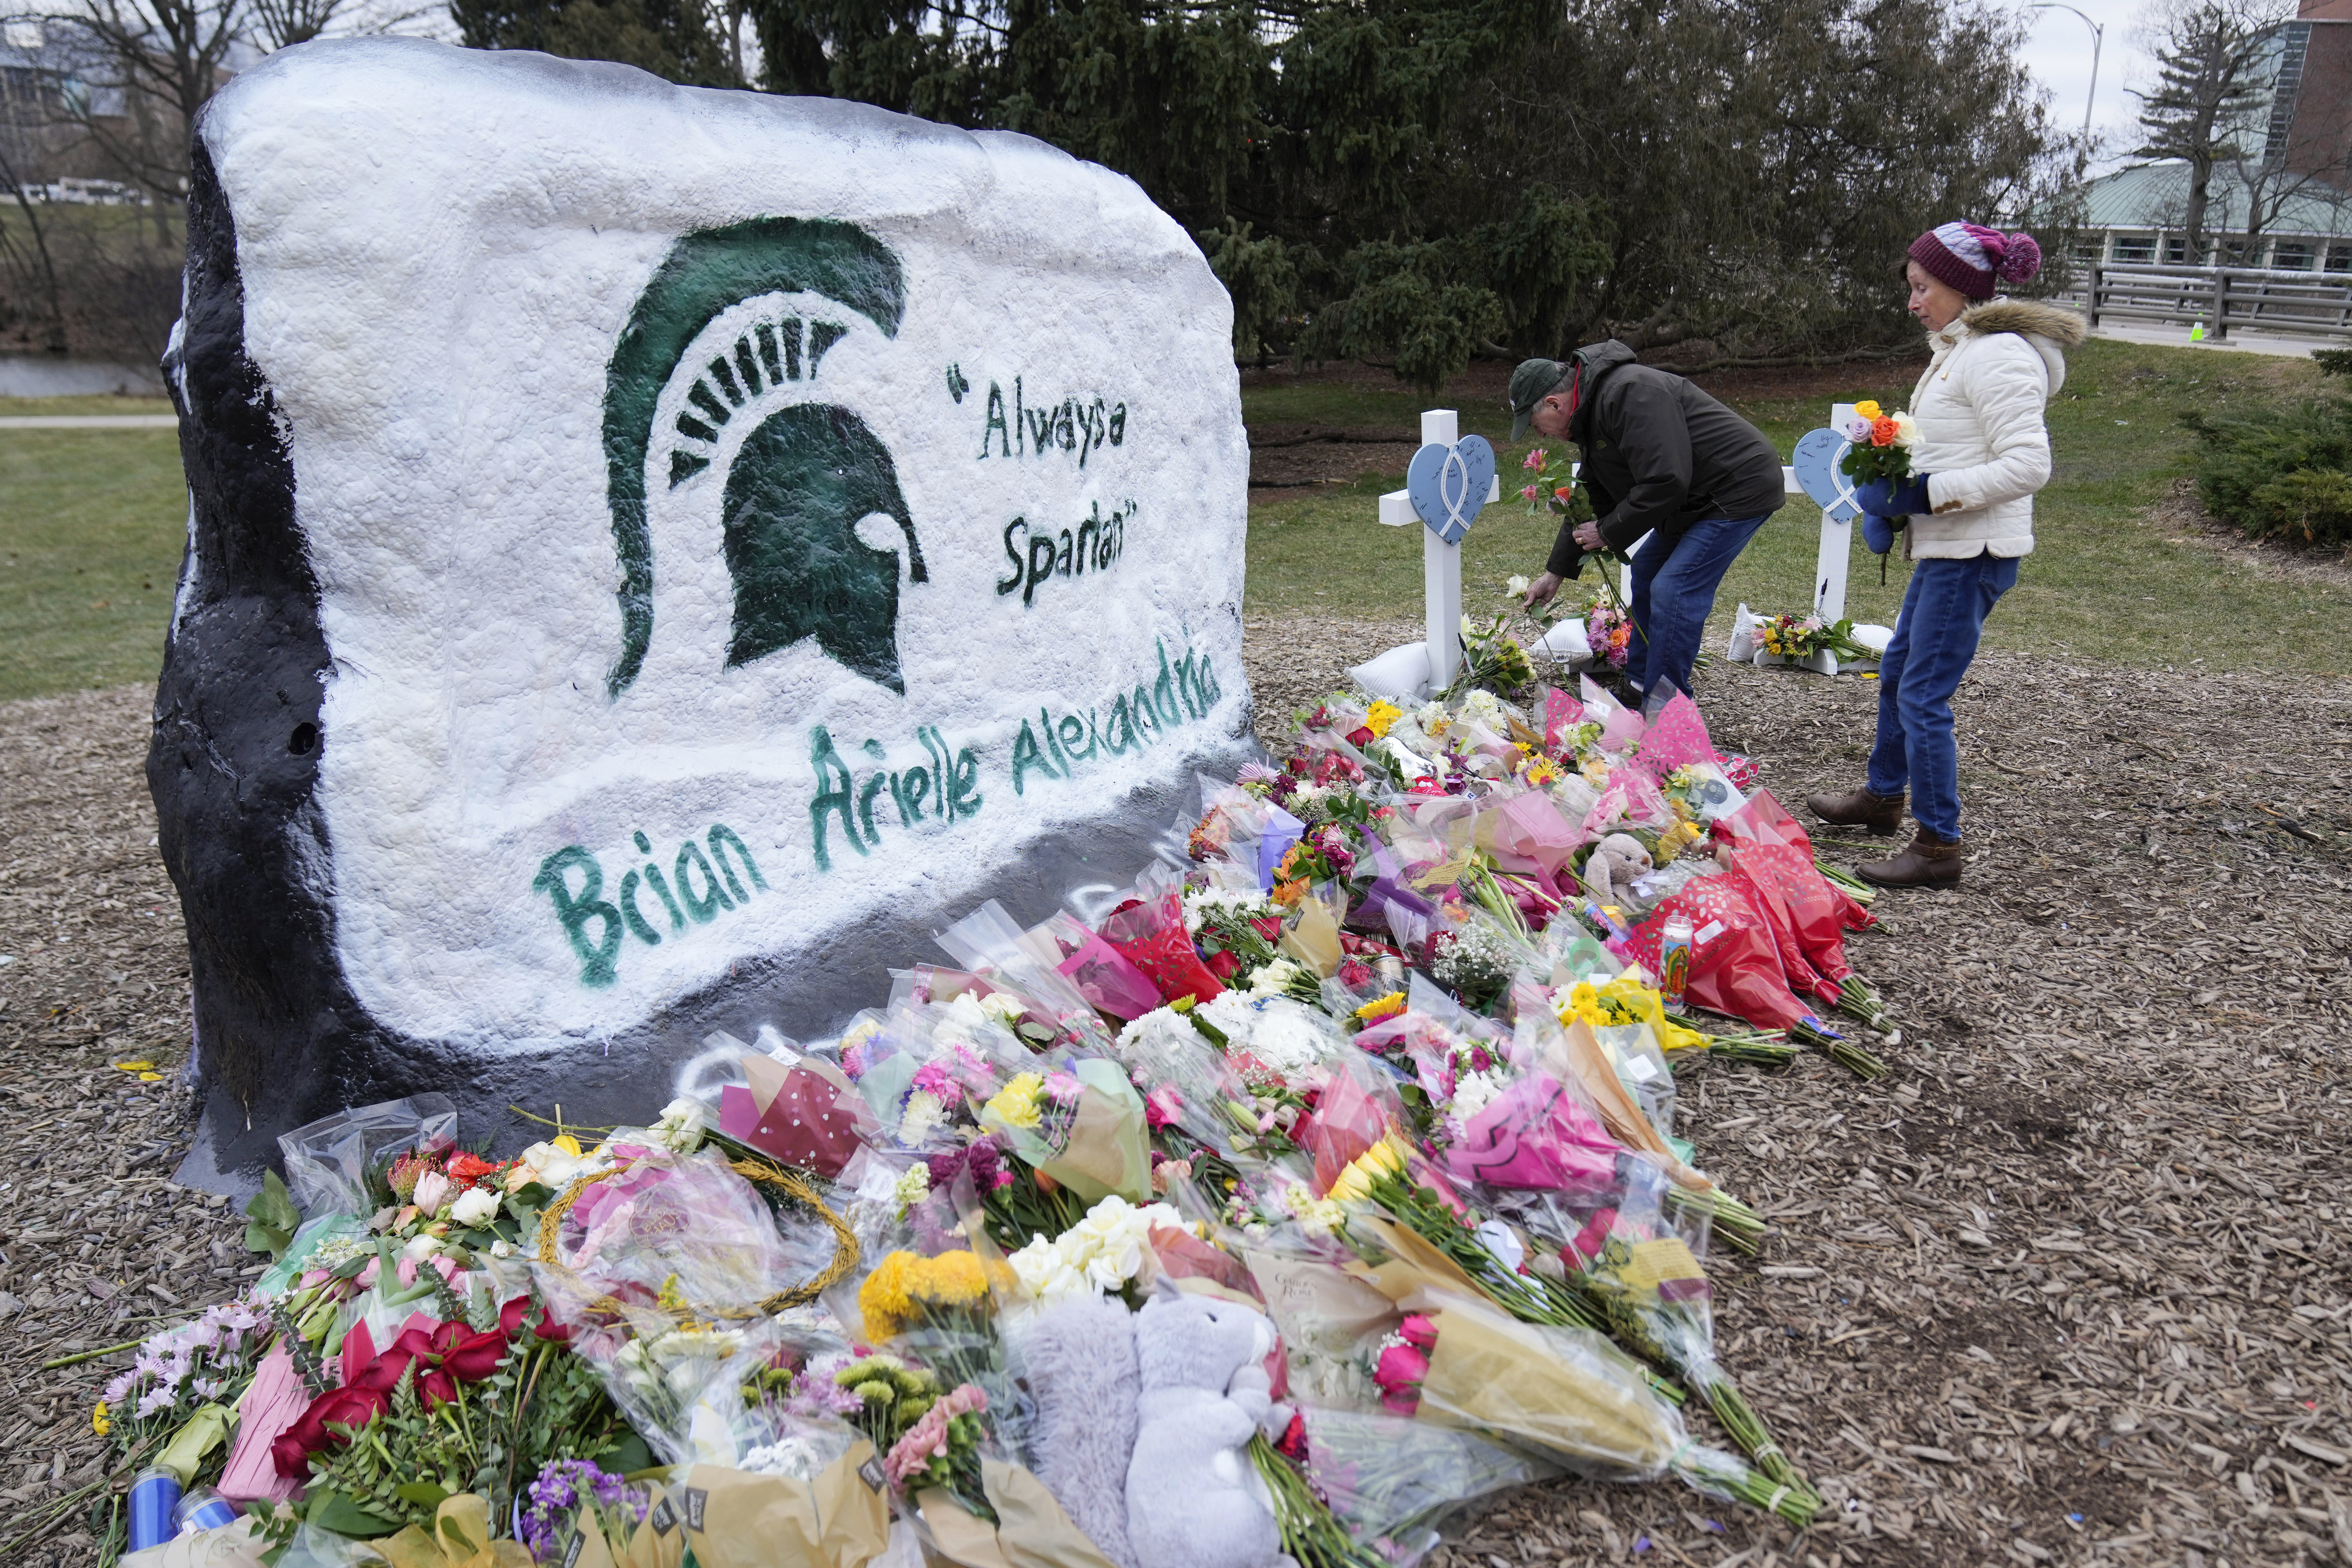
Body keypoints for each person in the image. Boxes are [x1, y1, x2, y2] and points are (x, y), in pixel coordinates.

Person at [1805, 222, 2084, 888]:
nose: (1912, 301)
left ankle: (1937, 846)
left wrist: (1926, 493)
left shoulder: (1996, 356)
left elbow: (2027, 465)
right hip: (1949, 545)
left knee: (1922, 691)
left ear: (1960, 286)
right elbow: (1952, 446)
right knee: (1901, 671)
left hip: (1974, 551)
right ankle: (1881, 798)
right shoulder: (1959, 349)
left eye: (1921, 287)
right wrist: (1894, 482)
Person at [1510, 344, 1786, 709]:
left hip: (1736, 487)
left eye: (1535, 426)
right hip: (1695, 497)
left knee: (1675, 588)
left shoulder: (1629, 393)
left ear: (1554, 404)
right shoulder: (1595, 408)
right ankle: (1639, 687)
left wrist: (1606, 532)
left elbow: (1666, 480)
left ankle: (1667, 711)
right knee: (1646, 571)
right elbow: (1594, 492)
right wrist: (1555, 572)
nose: (1541, 437)